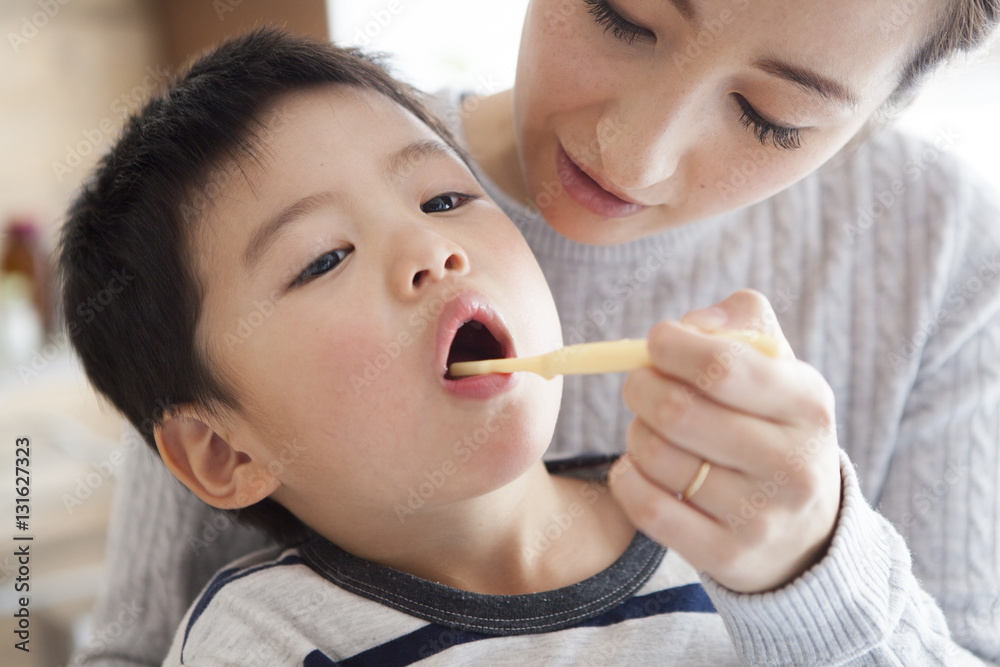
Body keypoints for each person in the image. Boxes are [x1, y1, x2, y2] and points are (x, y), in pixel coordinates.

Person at [71, 0, 1000, 663]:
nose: (637, 155)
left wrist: (812, 570)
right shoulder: (237, 206)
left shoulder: (713, 550)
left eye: (773, 116)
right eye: (622, 16)